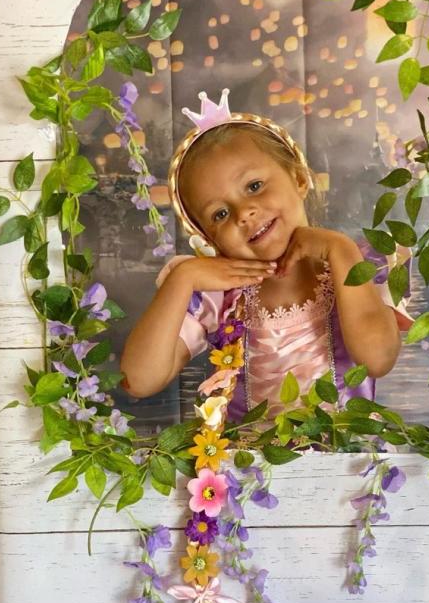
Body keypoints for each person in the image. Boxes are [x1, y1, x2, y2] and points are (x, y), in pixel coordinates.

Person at [120, 89, 414, 420]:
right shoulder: (218, 296)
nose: (244, 213)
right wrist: (182, 278)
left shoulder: (359, 261)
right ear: (208, 238)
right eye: (219, 215)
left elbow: (377, 359)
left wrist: (340, 250)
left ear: (300, 179)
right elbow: (138, 381)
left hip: (347, 464)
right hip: (253, 469)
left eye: (254, 186)